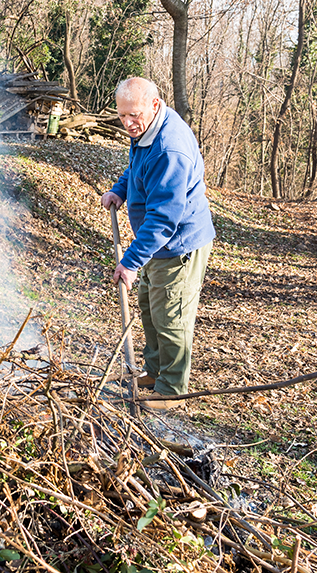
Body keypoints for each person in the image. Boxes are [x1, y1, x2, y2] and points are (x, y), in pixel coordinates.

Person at [101, 77, 216, 411]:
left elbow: (164, 218)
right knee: (150, 308)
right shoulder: (146, 129)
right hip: (156, 242)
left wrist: (131, 261)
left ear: (154, 104)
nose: (127, 123)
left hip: (177, 243)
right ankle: (154, 371)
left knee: (171, 316)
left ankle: (172, 388)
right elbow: (137, 167)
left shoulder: (170, 148)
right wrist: (120, 189)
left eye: (133, 115)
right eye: (122, 116)